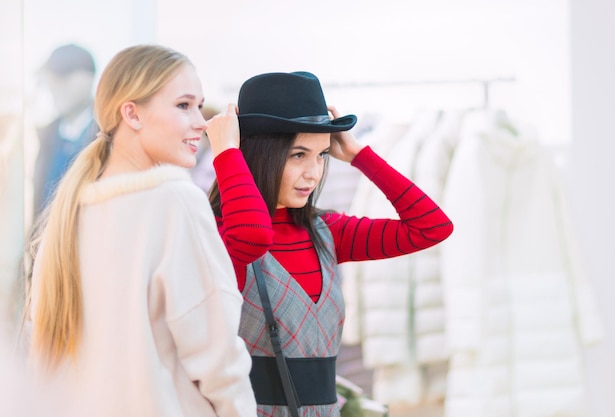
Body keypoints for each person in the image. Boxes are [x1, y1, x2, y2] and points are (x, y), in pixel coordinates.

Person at [205, 71, 454, 417]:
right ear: (258, 152)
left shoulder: (326, 232)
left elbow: (432, 227)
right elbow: (253, 235)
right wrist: (227, 153)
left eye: (321, 155)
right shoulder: (219, 236)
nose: (314, 172)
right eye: (298, 155)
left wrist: (359, 155)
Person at [26, 44, 256, 417]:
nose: (201, 121)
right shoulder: (175, 200)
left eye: (200, 105)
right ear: (131, 113)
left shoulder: (71, 212)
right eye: (184, 105)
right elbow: (218, 359)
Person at [33, 43, 99, 218]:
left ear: (88, 78)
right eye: (51, 78)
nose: (54, 86)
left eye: (63, 77)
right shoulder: (46, 134)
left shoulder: (109, 133)